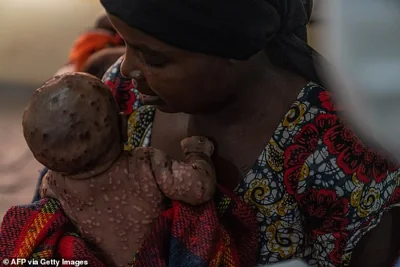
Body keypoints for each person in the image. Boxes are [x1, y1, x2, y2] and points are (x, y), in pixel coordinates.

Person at [3, 0, 400, 266]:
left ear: (234, 46)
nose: (126, 68)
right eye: (126, 44)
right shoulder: (122, 97)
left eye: (154, 56)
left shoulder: (339, 148)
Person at [22, 72, 217, 267]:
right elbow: (200, 188)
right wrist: (197, 154)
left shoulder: (53, 185)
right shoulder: (146, 165)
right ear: (124, 126)